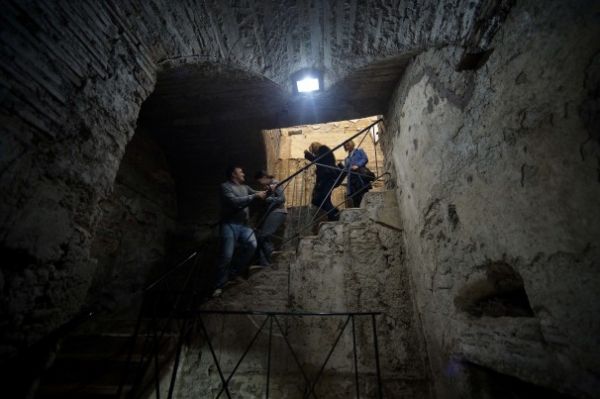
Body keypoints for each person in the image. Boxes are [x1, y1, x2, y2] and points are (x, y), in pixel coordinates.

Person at [213, 166, 267, 297]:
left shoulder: (245, 187)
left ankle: (233, 272)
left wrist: (269, 191)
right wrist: (255, 195)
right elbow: (234, 202)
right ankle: (219, 285)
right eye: (240, 171)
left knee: (252, 245)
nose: (243, 173)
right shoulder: (225, 186)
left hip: (244, 225)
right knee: (226, 255)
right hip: (229, 224)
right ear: (233, 174)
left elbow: (258, 194)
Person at [254, 170, 287, 266]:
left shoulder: (275, 183)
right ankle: (264, 263)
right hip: (271, 213)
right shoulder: (268, 186)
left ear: (264, 177)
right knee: (259, 236)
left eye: (259, 181)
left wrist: (269, 198)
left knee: (263, 236)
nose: (259, 183)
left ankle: (272, 255)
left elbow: (282, 199)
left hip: (278, 212)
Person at [304, 142, 341, 221]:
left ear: (315, 147)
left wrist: (308, 156)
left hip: (327, 178)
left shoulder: (323, 149)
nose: (314, 153)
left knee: (323, 198)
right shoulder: (323, 151)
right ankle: (334, 214)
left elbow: (319, 161)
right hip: (325, 179)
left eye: (313, 151)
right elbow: (320, 162)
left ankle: (335, 215)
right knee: (320, 199)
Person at [342, 140, 370, 207]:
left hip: (359, 176)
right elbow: (346, 170)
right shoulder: (347, 159)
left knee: (362, 193)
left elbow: (365, 159)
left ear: (351, 144)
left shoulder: (359, 151)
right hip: (351, 179)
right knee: (354, 197)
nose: (347, 146)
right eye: (345, 146)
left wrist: (357, 165)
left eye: (348, 145)